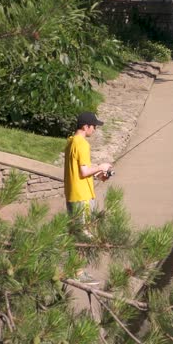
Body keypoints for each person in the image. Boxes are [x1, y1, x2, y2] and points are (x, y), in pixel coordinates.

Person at [64, 111, 113, 285]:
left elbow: (80, 172)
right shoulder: (83, 144)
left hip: (73, 194)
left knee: (77, 233)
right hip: (82, 197)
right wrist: (102, 166)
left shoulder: (71, 142)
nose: (95, 129)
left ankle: (75, 268)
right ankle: (77, 272)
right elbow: (84, 171)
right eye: (94, 126)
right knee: (83, 235)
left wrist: (99, 174)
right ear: (86, 127)